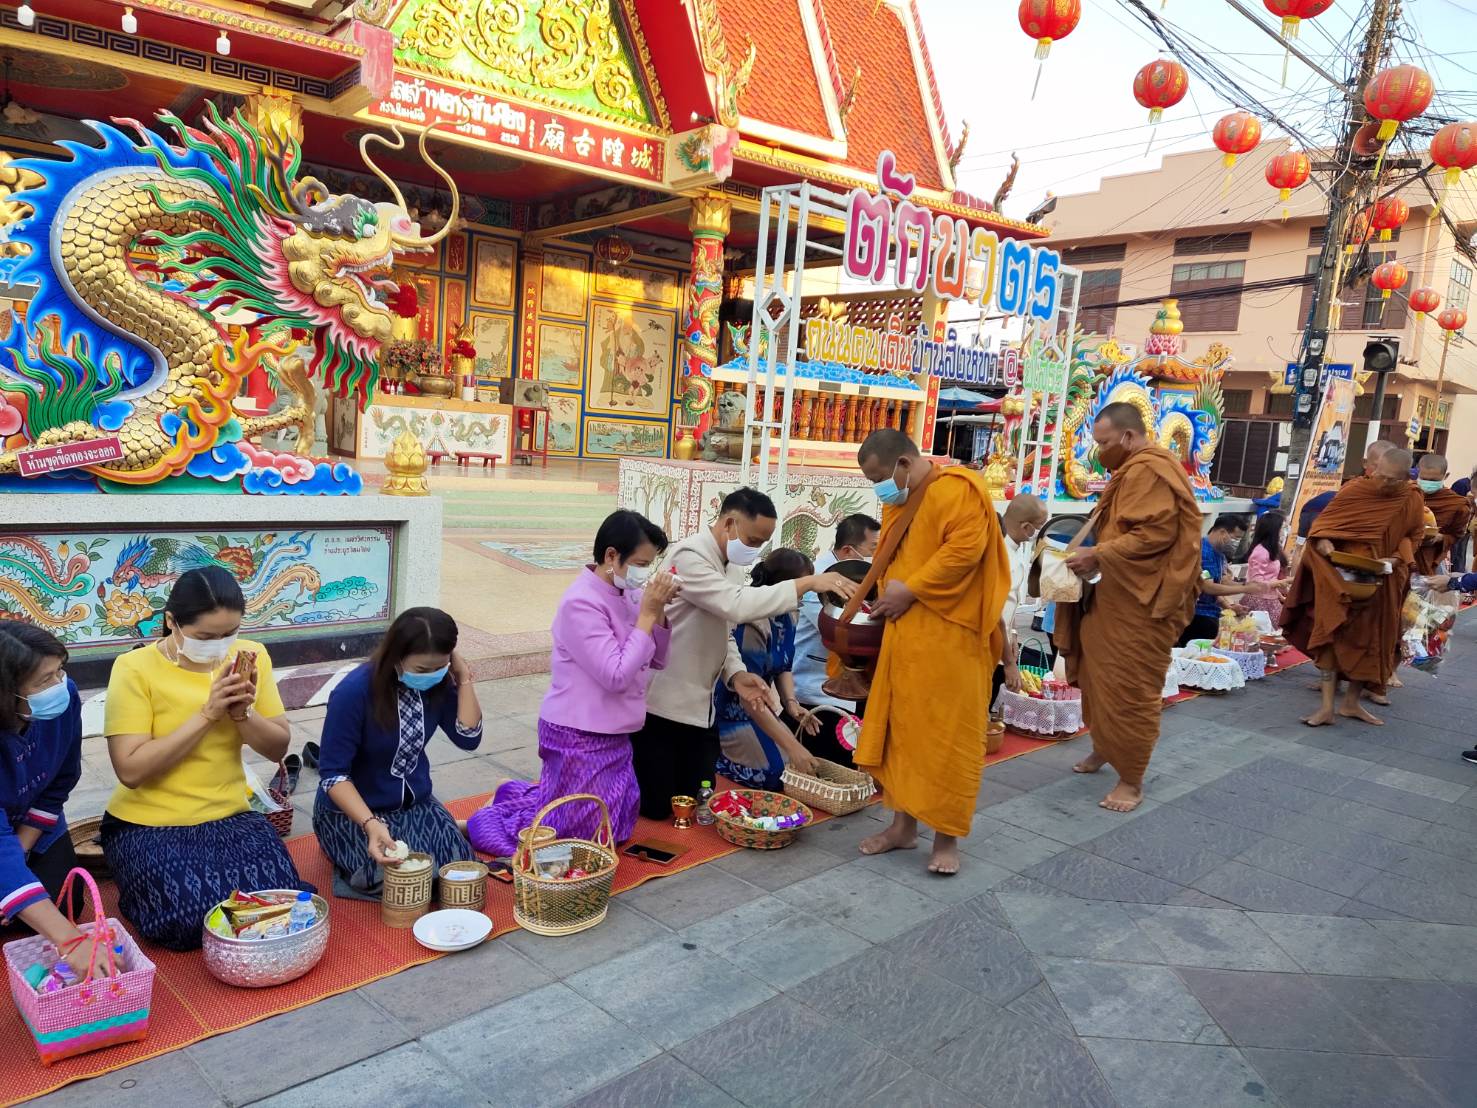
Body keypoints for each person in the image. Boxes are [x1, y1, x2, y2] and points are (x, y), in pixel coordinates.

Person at [103, 567, 309, 950]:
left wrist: (243, 713)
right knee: (189, 921)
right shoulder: (135, 668)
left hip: (229, 814)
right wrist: (207, 714)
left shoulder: (250, 658)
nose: (219, 646)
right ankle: (139, 891)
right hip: (149, 821)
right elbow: (130, 770)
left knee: (279, 904)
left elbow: (277, 748)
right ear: (171, 622)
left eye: (228, 634)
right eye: (205, 637)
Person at [630, 488, 857, 819]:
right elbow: (735, 605)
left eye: (761, 543)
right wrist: (807, 584)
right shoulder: (689, 555)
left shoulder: (731, 565)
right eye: (752, 540)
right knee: (657, 808)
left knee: (694, 798)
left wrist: (736, 674)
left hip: (702, 702)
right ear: (730, 523)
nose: (755, 550)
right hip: (665, 700)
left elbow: (725, 630)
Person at [468, 511, 677, 855]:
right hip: (577, 732)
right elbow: (615, 675)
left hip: (616, 730)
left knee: (618, 827)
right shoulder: (580, 602)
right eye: (640, 564)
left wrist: (660, 611)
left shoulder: (630, 594)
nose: (645, 574)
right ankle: (484, 820)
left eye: (650, 565)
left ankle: (514, 791)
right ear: (611, 556)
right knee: (568, 840)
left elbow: (658, 659)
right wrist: (646, 616)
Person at [850, 428, 1010, 876]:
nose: (878, 487)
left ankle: (946, 837)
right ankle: (902, 827)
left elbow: (966, 551)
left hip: (951, 639)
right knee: (903, 734)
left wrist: (912, 591)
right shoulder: (898, 500)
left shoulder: (957, 490)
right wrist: (886, 599)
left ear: (904, 463)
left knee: (946, 738)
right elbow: (891, 560)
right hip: (905, 638)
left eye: (880, 476)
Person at [1056, 403, 1201, 813]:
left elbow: (1154, 533)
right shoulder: (1132, 470)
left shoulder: (1149, 469)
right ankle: (1105, 748)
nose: (1099, 451)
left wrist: (1098, 555)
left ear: (1129, 437)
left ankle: (1131, 779)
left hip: (1142, 602)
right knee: (1098, 678)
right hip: (1112, 596)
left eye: (1104, 442)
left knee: (1130, 689)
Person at [314, 608, 482, 898]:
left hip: (413, 804)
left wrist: (462, 677)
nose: (431, 676)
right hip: (354, 811)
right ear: (395, 656)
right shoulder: (353, 692)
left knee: (456, 871)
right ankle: (344, 846)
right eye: (421, 670)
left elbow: (468, 737)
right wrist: (370, 824)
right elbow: (332, 775)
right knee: (397, 879)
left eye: (439, 666)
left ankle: (445, 830)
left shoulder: (440, 682)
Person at [1282, 447, 1425, 727]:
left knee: (1370, 640)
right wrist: (1327, 549)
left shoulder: (1411, 498)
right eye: (1379, 475)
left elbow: (1414, 536)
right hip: (1338, 579)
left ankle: (1351, 704)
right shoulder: (1355, 490)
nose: (1383, 483)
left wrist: (1394, 561)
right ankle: (1326, 707)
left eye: (1391, 480)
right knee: (1330, 636)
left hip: (1382, 580)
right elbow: (1321, 530)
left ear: (1405, 478)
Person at [0, 623, 101, 979]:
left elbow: (60, 780)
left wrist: (22, 854)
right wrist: (70, 942)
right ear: (6, 693)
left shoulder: (64, 697)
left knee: (65, 902)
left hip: (33, 822)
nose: (59, 685)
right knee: (27, 906)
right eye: (44, 680)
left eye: (60, 669)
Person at [713, 549, 820, 790]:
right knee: (777, 774)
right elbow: (748, 697)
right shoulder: (752, 623)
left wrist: (792, 704)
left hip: (763, 707)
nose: (806, 593)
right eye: (804, 586)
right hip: (735, 712)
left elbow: (783, 664)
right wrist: (793, 746)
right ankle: (714, 758)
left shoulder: (789, 613)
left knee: (796, 767)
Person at [792, 513, 879, 766]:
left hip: (854, 682)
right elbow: (841, 630)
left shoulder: (859, 576)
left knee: (854, 757)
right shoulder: (818, 580)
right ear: (849, 550)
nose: (877, 555)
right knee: (831, 764)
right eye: (873, 548)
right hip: (818, 689)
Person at [1177, 515, 1271, 646]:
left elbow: (1221, 581)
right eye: (1235, 538)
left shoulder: (1219, 553)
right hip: (1194, 615)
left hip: (1210, 614)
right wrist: (1245, 588)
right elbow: (1207, 587)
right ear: (1222, 532)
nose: (1236, 542)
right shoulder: (1201, 552)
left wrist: (1231, 606)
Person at [994, 494, 1049, 706]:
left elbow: (1011, 601)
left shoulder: (1014, 550)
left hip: (1004, 642)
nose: (1038, 532)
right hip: (991, 649)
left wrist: (1013, 633)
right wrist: (1009, 663)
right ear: (1026, 526)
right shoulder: (1000, 556)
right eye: (1039, 526)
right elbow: (995, 613)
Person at [1297, 439, 1395, 541]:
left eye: (1389, 468)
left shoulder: (1404, 494)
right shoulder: (1353, 489)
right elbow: (1324, 526)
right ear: (1365, 463)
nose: (1382, 473)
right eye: (1377, 466)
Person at [1413, 454, 1472, 576]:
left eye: (1434, 480)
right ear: (1418, 472)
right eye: (1424, 478)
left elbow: (1457, 535)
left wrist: (1440, 537)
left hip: (1429, 557)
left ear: (1446, 476)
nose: (1428, 483)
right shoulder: (1407, 492)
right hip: (1402, 555)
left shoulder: (1456, 504)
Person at [1244, 511, 1292, 628]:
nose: (1284, 531)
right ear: (1274, 530)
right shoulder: (1260, 552)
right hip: (1259, 600)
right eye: (1283, 527)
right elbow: (1256, 582)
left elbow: (1269, 577)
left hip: (1270, 599)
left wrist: (1281, 596)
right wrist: (1282, 582)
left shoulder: (1272, 549)